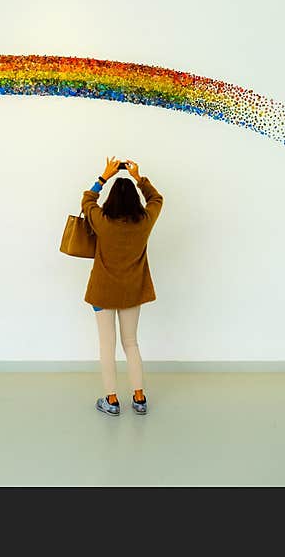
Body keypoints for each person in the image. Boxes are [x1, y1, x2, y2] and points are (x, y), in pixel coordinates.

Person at [81, 157, 164, 417]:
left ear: (111, 200)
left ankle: (112, 400)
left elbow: (87, 202)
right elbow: (157, 199)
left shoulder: (102, 220)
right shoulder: (144, 221)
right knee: (131, 344)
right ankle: (139, 398)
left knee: (107, 346)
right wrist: (139, 177)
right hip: (132, 291)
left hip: (102, 292)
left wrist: (103, 177)